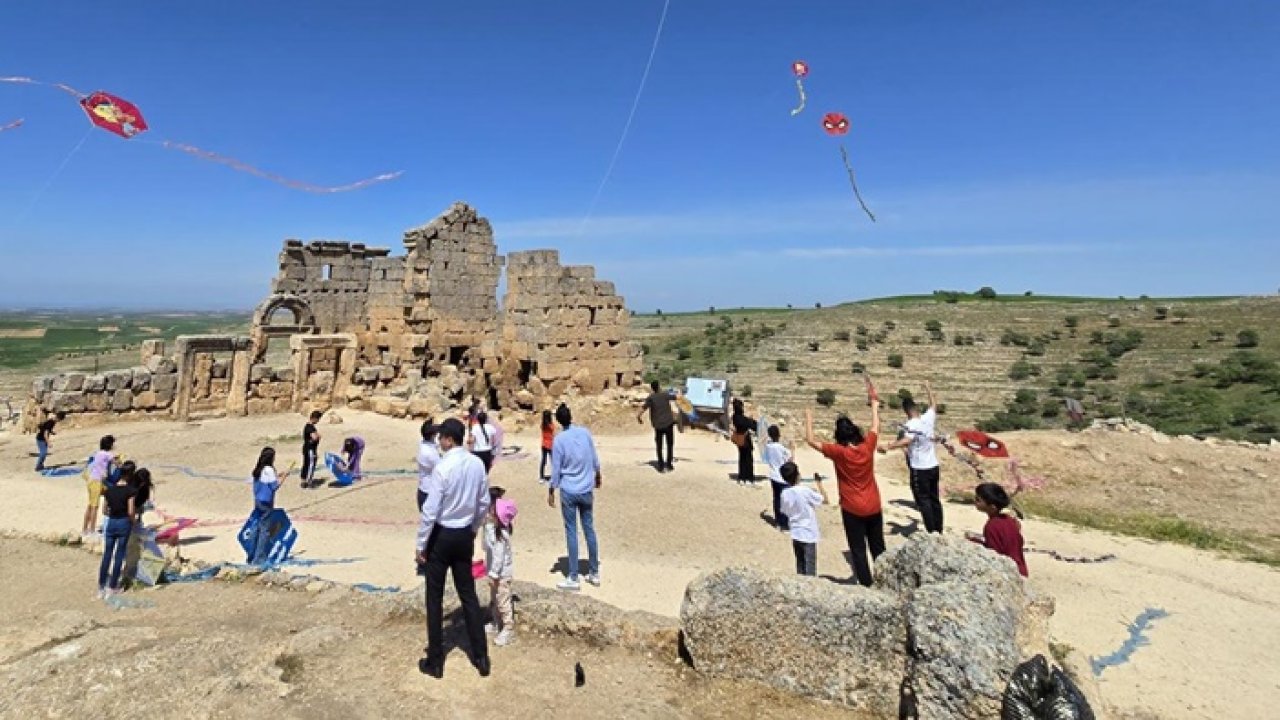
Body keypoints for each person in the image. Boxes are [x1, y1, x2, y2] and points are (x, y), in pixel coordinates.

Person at [415, 418, 491, 679]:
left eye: (441, 438)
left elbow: (430, 511)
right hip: (463, 534)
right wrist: (473, 528)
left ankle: (435, 660)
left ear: (448, 439)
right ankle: (481, 656)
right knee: (468, 593)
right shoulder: (477, 464)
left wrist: (421, 545)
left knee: (434, 596)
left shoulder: (442, 467)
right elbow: (483, 502)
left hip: (442, 533)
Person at [805, 404, 883, 587]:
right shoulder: (867, 447)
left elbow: (810, 441)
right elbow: (875, 427)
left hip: (851, 508)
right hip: (873, 504)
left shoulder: (838, 453)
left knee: (858, 550)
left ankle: (867, 585)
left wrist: (808, 417)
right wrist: (874, 408)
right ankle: (885, 579)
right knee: (878, 547)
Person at [548, 403, 601, 591]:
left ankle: (573, 576)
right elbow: (594, 457)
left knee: (571, 531)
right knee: (589, 529)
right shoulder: (585, 433)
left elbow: (556, 468)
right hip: (586, 488)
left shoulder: (559, 440)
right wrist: (598, 474)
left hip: (569, 490)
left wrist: (551, 489)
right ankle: (594, 572)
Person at [881, 381, 943, 534]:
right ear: (916, 408)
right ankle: (939, 529)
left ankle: (932, 532)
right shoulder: (928, 419)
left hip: (920, 468)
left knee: (923, 500)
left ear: (906, 411)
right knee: (934, 498)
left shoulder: (911, 424)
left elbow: (907, 440)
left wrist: (888, 446)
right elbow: (934, 405)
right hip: (933, 465)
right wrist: (928, 388)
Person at [968, 483, 1028, 577]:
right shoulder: (1010, 520)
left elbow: (994, 554)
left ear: (992, 507)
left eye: (978, 500)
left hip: (1010, 572)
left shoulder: (992, 526)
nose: (974, 501)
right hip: (1021, 568)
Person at [778, 461, 827, 576]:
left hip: (795, 532)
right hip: (808, 532)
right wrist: (819, 484)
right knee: (810, 568)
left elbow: (785, 510)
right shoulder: (804, 491)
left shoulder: (784, 493)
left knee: (800, 566)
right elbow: (824, 500)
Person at [97, 461, 137, 598]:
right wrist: (132, 522)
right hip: (123, 522)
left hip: (111, 522)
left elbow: (104, 510)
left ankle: (101, 586)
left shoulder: (109, 490)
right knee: (119, 555)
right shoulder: (130, 491)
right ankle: (113, 586)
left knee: (107, 555)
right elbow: (131, 511)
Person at [484, 487, 517, 647]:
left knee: (502, 600)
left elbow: (498, 557)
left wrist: (493, 574)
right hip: (495, 572)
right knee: (494, 599)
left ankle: (508, 627)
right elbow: (486, 547)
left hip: (501, 574)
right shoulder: (492, 529)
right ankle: (496, 622)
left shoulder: (500, 536)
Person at [249, 448, 288, 565]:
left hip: (258, 501)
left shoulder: (258, 469)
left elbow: (263, 481)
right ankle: (259, 558)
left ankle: (252, 554)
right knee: (264, 530)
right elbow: (274, 486)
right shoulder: (269, 470)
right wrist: (284, 478)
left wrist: (278, 475)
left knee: (257, 528)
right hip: (266, 503)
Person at [636, 381, 676, 473]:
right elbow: (676, 397)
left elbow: (643, 408)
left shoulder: (651, 398)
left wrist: (638, 417)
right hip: (668, 423)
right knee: (670, 445)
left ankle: (661, 466)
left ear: (652, 388)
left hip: (658, 425)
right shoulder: (665, 395)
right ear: (659, 387)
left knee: (659, 446)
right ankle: (669, 465)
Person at [83, 435, 118, 539]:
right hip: (97, 482)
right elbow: (117, 464)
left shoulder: (98, 453)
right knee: (94, 506)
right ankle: (92, 530)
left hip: (91, 481)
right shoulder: (108, 454)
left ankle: (85, 529)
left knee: (90, 505)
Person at [762, 425, 794, 531]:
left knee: (776, 499)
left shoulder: (768, 446)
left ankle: (778, 522)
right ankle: (784, 524)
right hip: (782, 477)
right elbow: (790, 460)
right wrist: (792, 448)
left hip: (773, 475)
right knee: (784, 501)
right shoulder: (781, 448)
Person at [731, 398, 759, 483]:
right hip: (745, 440)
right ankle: (748, 477)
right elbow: (753, 425)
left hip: (740, 440)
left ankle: (742, 476)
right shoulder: (742, 419)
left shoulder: (735, 417)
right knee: (748, 459)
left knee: (742, 458)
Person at [301, 410, 322, 489]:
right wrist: (318, 436)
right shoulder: (310, 427)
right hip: (310, 449)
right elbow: (314, 437)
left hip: (307, 448)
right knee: (310, 465)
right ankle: (309, 482)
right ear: (315, 418)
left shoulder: (308, 426)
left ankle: (303, 480)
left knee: (306, 464)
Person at [539, 410, 555, 482]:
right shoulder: (550, 425)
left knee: (543, 461)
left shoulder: (543, 425)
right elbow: (553, 429)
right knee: (554, 462)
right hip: (550, 445)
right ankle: (555, 476)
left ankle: (541, 477)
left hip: (544, 445)